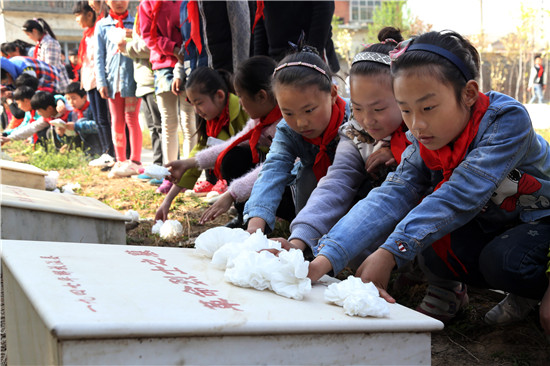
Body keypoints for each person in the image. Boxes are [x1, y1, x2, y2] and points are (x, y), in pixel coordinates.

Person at [305, 30, 550, 331]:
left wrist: (391, 250)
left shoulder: (506, 121)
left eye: (428, 108)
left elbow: (460, 195)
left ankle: (534, 287)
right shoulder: (423, 140)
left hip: (540, 219)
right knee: (430, 242)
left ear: (469, 94)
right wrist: (326, 256)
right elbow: (392, 193)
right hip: (495, 223)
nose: (416, 125)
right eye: (405, 110)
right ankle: (477, 285)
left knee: (504, 262)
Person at [275, 28, 409, 263]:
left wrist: (398, 152)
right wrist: (299, 240)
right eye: (357, 107)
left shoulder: (424, 134)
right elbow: (337, 182)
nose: (367, 119)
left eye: (378, 109)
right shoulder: (355, 131)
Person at [159, 56, 290, 228]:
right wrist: (188, 163)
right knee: (232, 155)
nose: (241, 103)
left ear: (261, 96)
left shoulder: (285, 122)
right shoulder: (261, 119)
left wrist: (232, 194)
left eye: (242, 97)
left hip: (294, 188)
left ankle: (260, 219)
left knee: (233, 158)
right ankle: (249, 217)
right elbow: (232, 143)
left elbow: (276, 166)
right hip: (272, 179)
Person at [243, 45, 350, 235]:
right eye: (288, 113)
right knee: (307, 175)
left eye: (309, 110)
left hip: (356, 190)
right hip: (313, 195)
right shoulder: (287, 130)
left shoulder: (357, 119)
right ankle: (308, 238)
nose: (300, 123)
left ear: (333, 94)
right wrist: (255, 224)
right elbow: (273, 170)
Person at [164, 66, 248, 218]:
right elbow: (196, 161)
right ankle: (243, 213)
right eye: (193, 104)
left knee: (231, 158)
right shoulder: (211, 121)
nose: (196, 110)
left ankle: (248, 213)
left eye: (199, 103)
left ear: (220, 96)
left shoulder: (244, 109)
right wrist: (167, 202)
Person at [138, 0, 192, 194]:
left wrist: (182, 54)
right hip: (162, 64)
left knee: (189, 121)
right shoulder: (147, 4)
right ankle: (169, 175)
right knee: (168, 123)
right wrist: (172, 49)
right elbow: (148, 36)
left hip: (187, 60)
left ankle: (188, 175)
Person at [95, 0, 143, 178]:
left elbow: (143, 44)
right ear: (107, 2)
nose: (119, 3)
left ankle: (135, 161)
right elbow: (99, 56)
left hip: (132, 78)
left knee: (132, 117)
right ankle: (120, 160)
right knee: (117, 120)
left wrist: (132, 36)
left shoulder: (136, 22)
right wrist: (101, 82)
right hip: (113, 79)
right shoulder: (101, 25)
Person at [118, 6, 164, 179]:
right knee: (153, 126)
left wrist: (127, 47)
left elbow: (150, 44)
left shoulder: (153, 8)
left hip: (152, 79)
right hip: (144, 81)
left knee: (160, 126)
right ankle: (157, 165)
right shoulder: (143, 11)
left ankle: (162, 166)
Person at [72, 1, 115, 168]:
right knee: (98, 118)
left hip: (99, 80)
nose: (77, 19)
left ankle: (111, 153)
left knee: (105, 118)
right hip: (90, 81)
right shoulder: (88, 34)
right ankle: (106, 152)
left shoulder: (100, 26)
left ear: (89, 14)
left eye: (78, 15)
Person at [252, 0, 339, 73]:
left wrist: (311, 57)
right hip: (275, 62)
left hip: (310, 61)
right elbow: (260, 17)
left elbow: (324, 10)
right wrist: (260, 65)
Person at [22, 18, 71, 93]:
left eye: (28, 34)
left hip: (56, 85)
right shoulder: (41, 43)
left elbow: (51, 67)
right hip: (47, 84)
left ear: (34, 31)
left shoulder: (50, 43)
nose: (29, 37)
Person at [58, 81, 102, 156]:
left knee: (81, 121)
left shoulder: (93, 109)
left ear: (84, 97)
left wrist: (77, 126)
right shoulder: (71, 114)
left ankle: (93, 153)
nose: (71, 102)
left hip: (97, 141)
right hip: (80, 143)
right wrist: (61, 134)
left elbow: (98, 126)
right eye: (68, 99)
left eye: (73, 98)